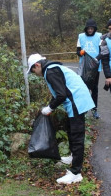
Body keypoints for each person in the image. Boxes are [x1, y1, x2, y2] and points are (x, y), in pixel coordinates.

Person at [27, 53, 95, 184]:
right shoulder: (51, 69)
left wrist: (50, 108)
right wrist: (49, 106)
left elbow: (61, 95)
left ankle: (76, 173)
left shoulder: (50, 71)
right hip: (76, 99)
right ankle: (73, 157)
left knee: (77, 136)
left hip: (77, 101)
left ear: (37, 65)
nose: (35, 73)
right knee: (70, 130)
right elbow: (59, 92)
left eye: (33, 71)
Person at [76, 19, 102, 119]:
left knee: (94, 89)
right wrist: (81, 52)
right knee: (84, 89)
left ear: (94, 29)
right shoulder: (81, 36)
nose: (90, 30)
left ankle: (95, 110)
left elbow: (102, 51)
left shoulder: (99, 36)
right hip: (84, 67)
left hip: (95, 67)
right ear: (86, 29)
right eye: (88, 28)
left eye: (92, 28)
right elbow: (77, 52)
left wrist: (96, 59)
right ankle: (85, 109)